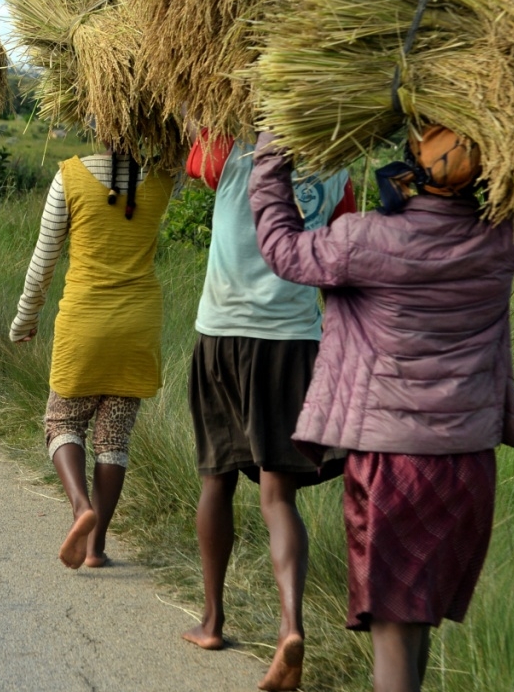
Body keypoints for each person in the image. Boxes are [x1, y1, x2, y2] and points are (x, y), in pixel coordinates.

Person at [248, 126, 514, 692]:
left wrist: (272, 151)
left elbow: (282, 248)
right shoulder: (504, 242)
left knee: (395, 630)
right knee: (417, 615)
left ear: (411, 171)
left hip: (393, 466)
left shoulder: (366, 240)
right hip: (469, 464)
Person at [181, 131, 354, 692]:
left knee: (216, 478)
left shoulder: (232, 147)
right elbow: (340, 257)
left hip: (222, 332)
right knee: (277, 496)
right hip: (292, 339)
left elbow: (192, 158)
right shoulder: (338, 162)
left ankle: (211, 621)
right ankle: (289, 626)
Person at [10, 148, 174, 569]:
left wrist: (24, 319)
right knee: (114, 439)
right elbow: (193, 150)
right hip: (139, 325)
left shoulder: (70, 176)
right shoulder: (164, 177)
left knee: (62, 421)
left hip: (84, 322)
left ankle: (81, 505)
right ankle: (96, 546)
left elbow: (43, 261)